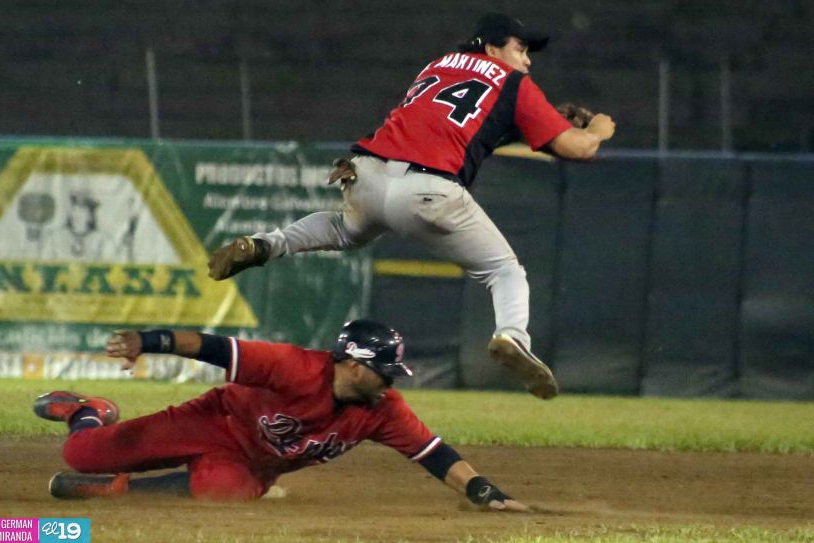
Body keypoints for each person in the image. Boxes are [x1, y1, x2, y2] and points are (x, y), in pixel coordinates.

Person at [207, 13, 616, 400]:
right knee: (504, 271)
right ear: (492, 48)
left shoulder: (437, 65)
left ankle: (266, 244)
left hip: (367, 172)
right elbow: (575, 149)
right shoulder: (513, 82)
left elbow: (465, 125)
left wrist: (543, 120)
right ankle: (513, 336)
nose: (526, 59)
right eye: (521, 48)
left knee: (344, 230)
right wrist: (598, 129)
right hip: (428, 188)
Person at [33, 320, 528, 512]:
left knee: (222, 495)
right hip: (214, 420)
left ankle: (119, 489)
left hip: (250, 465)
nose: (391, 380)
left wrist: (485, 492)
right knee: (81, 453)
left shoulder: (382, 410)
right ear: (352, 365)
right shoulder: (293, 367)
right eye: (383, 371)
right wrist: (148, 342)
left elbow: (435, 454)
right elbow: (212, 347)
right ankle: (88, 411)